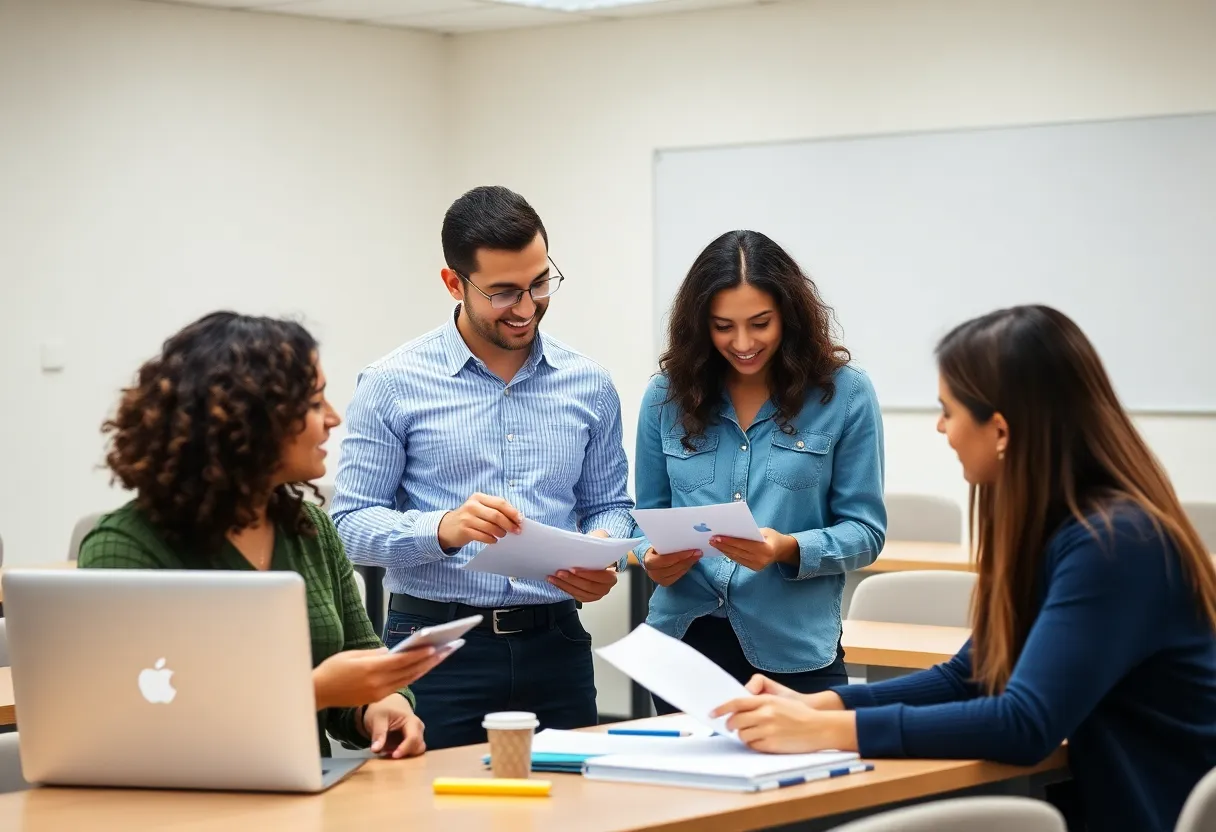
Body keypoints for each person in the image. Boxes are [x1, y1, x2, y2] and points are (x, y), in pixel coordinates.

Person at [712, 305, 1216, 831]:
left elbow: (1024, 723)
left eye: (948, 411)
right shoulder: (1064, 529)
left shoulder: (1114, 544)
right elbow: (973, 676)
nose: (941, 427)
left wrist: (828, 732)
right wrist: (823, 705)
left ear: (999, 430)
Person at [331, 185, 634, 750]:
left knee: (573, 811)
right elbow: (348, 525)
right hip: (434, 652)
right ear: (454, 283)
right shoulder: (392, 383)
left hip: (558, 645)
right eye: (503, 292)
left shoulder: (589, 383)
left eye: (539, 283)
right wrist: (439, 530)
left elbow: (611, 506)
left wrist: (600, 549)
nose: (526, 307)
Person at [79, 312, 442, 759]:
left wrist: (382, 706)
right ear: (248, 422)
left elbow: (363, 660)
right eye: (313, 403)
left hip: (303, 798)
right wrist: (314, 691)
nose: (333, 418)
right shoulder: (125, 549)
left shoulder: (309, 529)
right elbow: (130, 718)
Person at [634, 229, 886, 711]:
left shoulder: (845, 394)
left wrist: (787, 548)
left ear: (789, 317)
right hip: (681, 645)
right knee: (684, 788)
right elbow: (648, 515)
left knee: (798, 787)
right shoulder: (665, 396)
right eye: (723, 326)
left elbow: (866, 532)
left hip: (793, 652)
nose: (743, 342)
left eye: (760, 323)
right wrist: (651, 556)